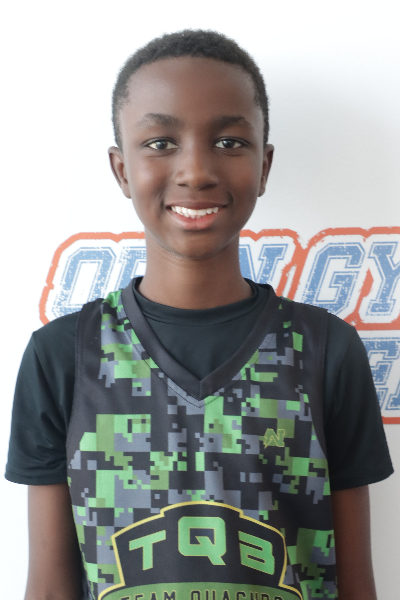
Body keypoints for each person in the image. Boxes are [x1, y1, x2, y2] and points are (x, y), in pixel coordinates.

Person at [5, 30, 393, 600]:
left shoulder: (326, 349)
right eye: (161, 142)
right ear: (121, 170)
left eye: (229, 142)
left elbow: (356, 582)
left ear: (264, 165)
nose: (195, 170)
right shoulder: (64, 356)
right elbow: (49, 585)